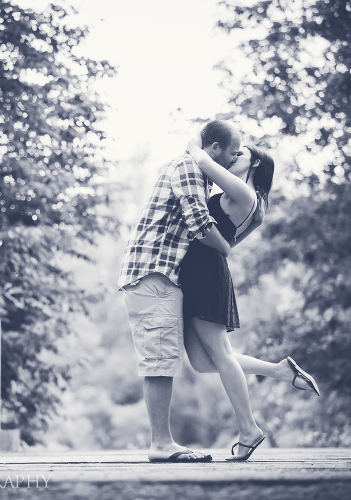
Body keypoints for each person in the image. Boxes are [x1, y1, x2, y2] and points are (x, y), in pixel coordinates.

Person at [181, 135, 320, 462]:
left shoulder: (243, 192)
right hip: (205, 271)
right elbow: (227, 245)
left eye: (240, 153)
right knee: (203, 363)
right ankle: (280, 371)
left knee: (220, 354)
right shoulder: (251, 203)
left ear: (254, 162)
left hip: (205, 276)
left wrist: (193, 145)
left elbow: (203, 162)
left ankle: (249, 430)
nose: (234, 156)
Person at [118, 120, 240, 463]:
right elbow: (199, 223)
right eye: (232, 152)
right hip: (153, 275)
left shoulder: (191, 166)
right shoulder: (188, 166)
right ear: (214, 149)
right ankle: (160, 445)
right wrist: (227, 247)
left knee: (166, 360)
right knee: (159, 362)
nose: (233, 160)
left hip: (157, 276)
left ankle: (163, 442)